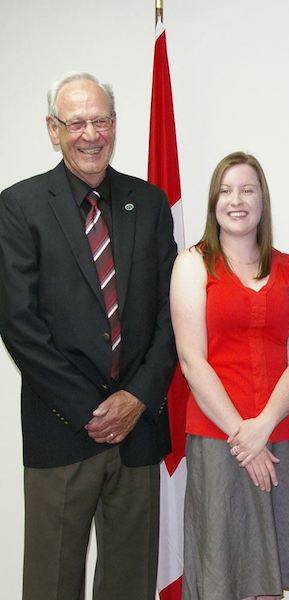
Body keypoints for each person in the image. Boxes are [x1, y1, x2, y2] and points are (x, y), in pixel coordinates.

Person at [0, 72, 177, 599]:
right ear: (53, 130)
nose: (90, 133)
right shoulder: (20, 206)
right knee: (52, 584)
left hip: (138, 432)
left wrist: (137, 398)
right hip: (62, 431)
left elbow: (175, 315)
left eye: (100, 120)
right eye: (75, 122)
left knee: (129, 585)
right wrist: (92, 412)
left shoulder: (149, 203)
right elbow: (19, 324)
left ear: (115, 125)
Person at [170, 152, 289, 600]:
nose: (237, 200)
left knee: (271, 577)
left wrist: (264, 427)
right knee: (224, 573)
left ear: (262, 201)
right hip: (220, 440)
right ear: (214, 201)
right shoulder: (191, 266)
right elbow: (192, 362)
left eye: (248, 190)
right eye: (227, 190)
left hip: (283, 436)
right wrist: (243, 436)